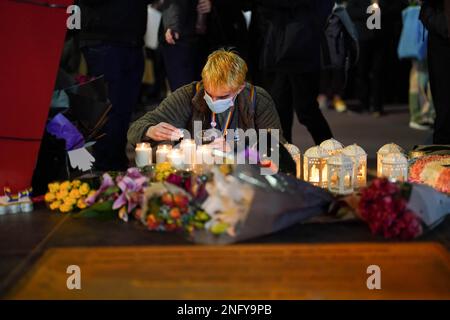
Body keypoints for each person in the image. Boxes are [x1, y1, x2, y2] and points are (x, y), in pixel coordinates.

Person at [127, 49, 285, 147]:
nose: (214, 101)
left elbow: (277, 146)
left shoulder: (257, 100)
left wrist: (237, 150)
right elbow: (135, 129)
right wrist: (150, 130)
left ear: (240, 87)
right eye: (209, 94)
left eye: (223, 96)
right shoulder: (188, 94)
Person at [78, 0, 155, 171]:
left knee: (124, 110)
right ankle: (106, 168)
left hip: (132, 39)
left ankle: (116, 165)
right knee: (109, 111)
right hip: (104, 39)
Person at [255, 0, 334, 145]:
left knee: (306, 109)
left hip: (301, 48)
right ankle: (285, 158)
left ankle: (331, 151)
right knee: (280, 109)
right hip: (282, 49)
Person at [347, 0, 408, 117]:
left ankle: (377, 106)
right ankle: (363, 103)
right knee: (362, 71)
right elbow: (350, 11)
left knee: (378, 71)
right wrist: (370, 12)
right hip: (363, 36)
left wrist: (380, 11)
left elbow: (398, 7)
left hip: (381, 37)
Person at [420, 0, 450, 144]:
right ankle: (441, 154)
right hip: (441, 40)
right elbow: (426, 9)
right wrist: (441, 25)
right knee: (444, 102)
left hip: (440, 31)